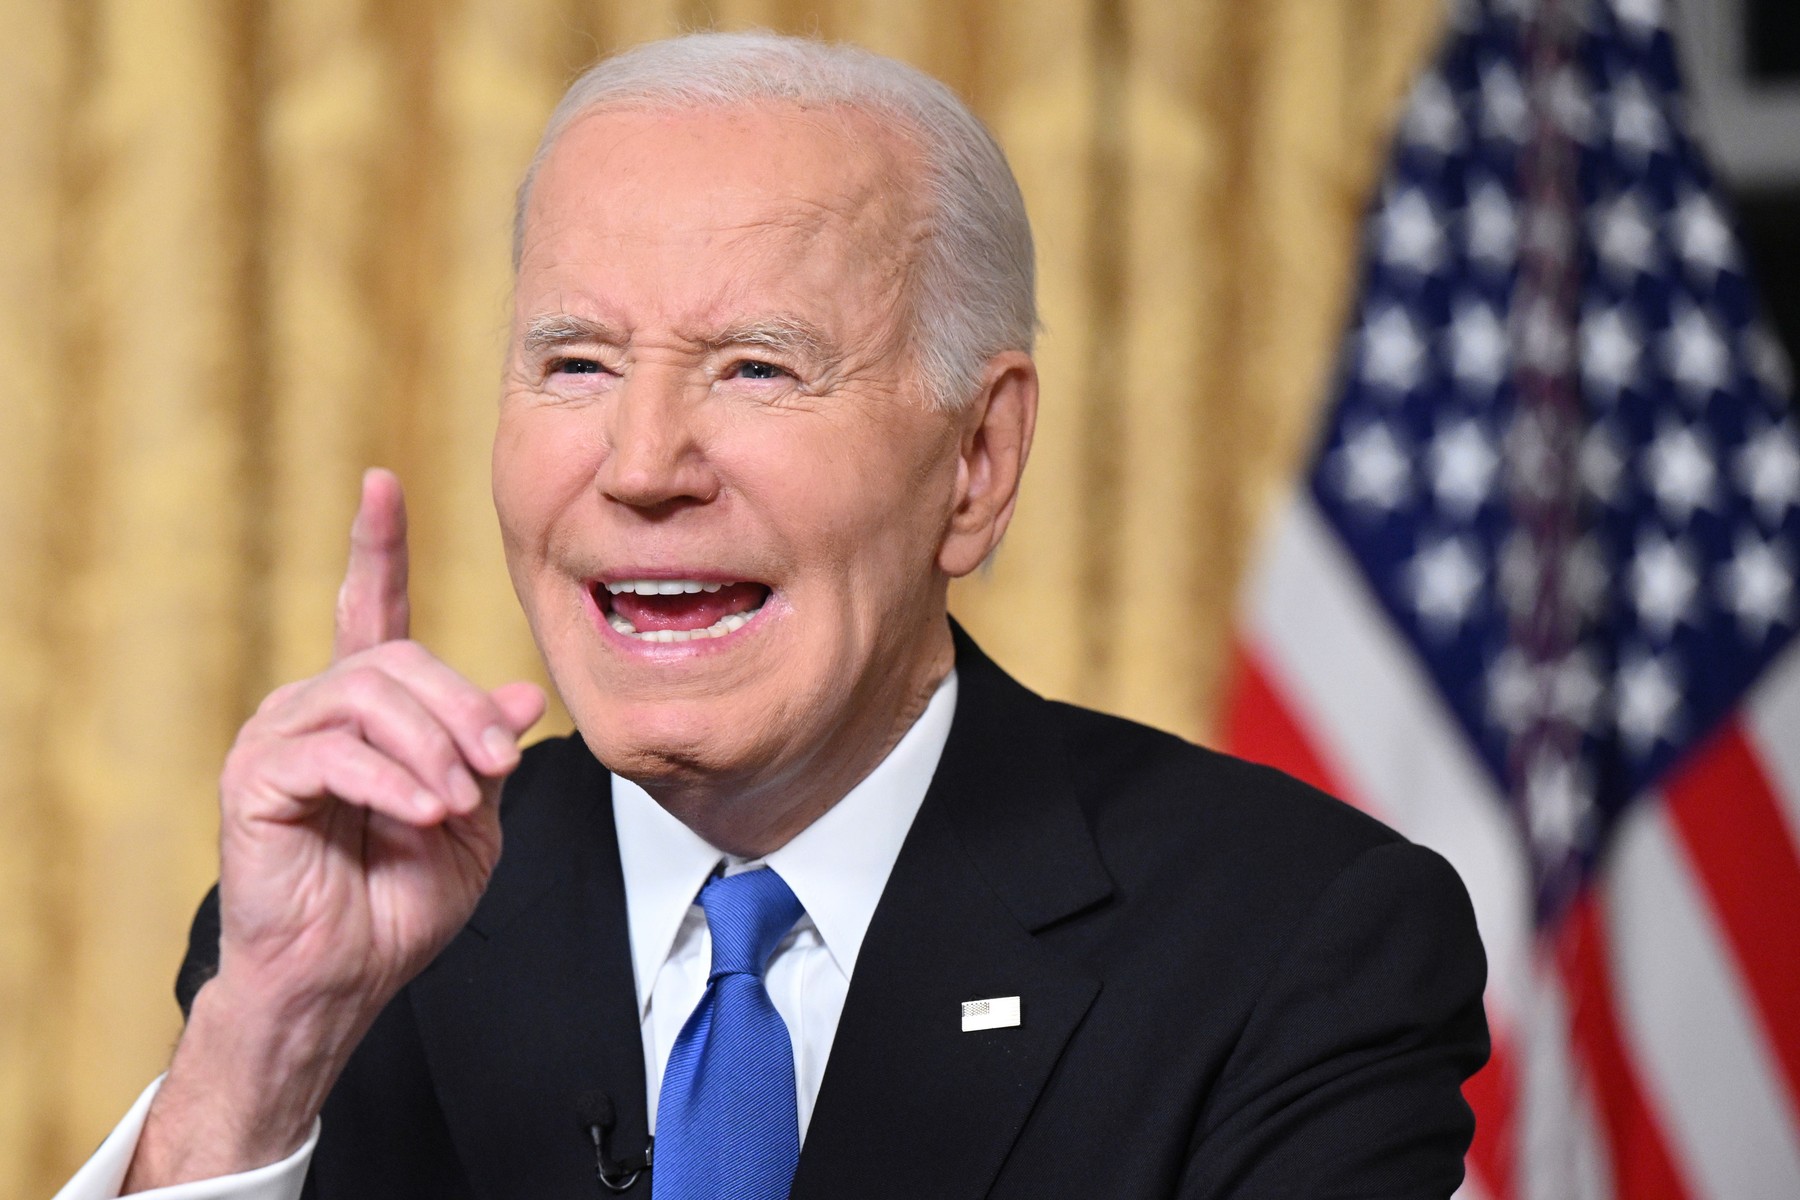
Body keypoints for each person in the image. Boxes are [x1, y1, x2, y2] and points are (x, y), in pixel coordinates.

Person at [57, 30, 1488, 1200]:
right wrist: (262, 1045)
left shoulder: (1294, 945)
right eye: (574, 364)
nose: (640, 466)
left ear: (976, 463)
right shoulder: (346, 941)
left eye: (754, 368)